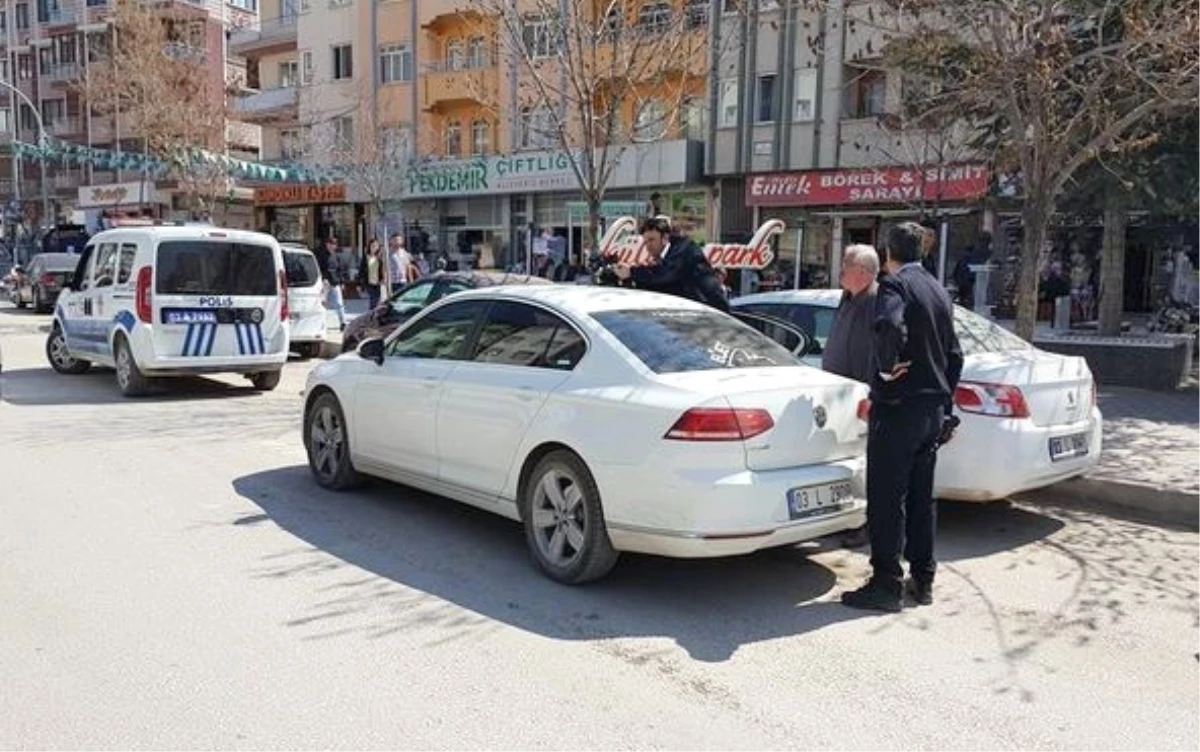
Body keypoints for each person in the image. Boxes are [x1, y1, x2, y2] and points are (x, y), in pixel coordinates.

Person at [842, 222, 964, 613]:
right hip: (931, 410)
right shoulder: (938, 290)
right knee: (920, 497)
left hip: (898, 409)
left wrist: (885, 368)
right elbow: (956, 355)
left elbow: (889, 326)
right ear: (922, 250)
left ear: (887, 252)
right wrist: (944, 400)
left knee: (885, 498)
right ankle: (923, 579)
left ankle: (885, 583)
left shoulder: (894, 285)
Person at [613, 216, 729, 311]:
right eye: (645, 241)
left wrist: (631, 272)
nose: (648, 245)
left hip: (713, 314)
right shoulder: (665, 258)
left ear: (665, 238)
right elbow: (660, 286)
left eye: (652, 240)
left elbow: (665, 274)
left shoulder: (684, 248)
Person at [824, 244, 881, 385]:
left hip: (856, 392)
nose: (841, 269)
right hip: (835, 387)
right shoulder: (847, 296)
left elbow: (870, 354)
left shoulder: (876, 300)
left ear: (862, 271)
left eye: (846, 264)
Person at [314, 235, 347, 332]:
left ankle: (343, 322)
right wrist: (323, 279)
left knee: (339, 303)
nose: (332, 246)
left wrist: (342, 282)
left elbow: (341, 270)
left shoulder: (337, 256)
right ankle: (322, 324)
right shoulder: (321, 256)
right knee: (323, 304)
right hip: (325, 283)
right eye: (330, 244)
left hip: (335, 282)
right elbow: (318, 269)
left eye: (334, 244)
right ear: (326, 245)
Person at [359, 238, 384, 310]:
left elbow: (382, 269)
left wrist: (382, 279)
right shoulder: (366, 257)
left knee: (377, 300)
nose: (374, 247)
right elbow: (361, 271)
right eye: (372, 246)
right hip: (369, 282)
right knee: (374, 299)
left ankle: (372, 314)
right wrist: (359, 284)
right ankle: (371, 314)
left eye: (376, 246)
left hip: (378, 282)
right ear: (369, 247)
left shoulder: (379, 258)